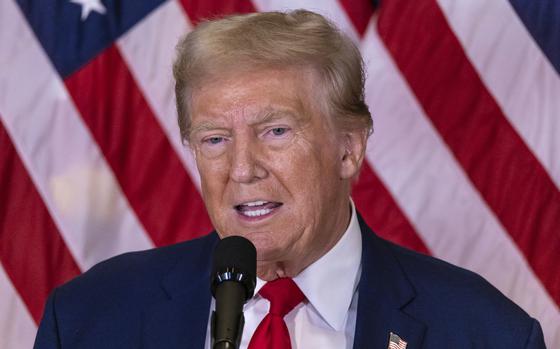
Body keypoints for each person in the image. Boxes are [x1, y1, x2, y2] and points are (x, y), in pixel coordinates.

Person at [34, 9, 546, 349]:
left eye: (275, 131)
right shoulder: (87, 321)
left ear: (349, 148)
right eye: (214, 139)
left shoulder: (484, 333)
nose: (241, 168)